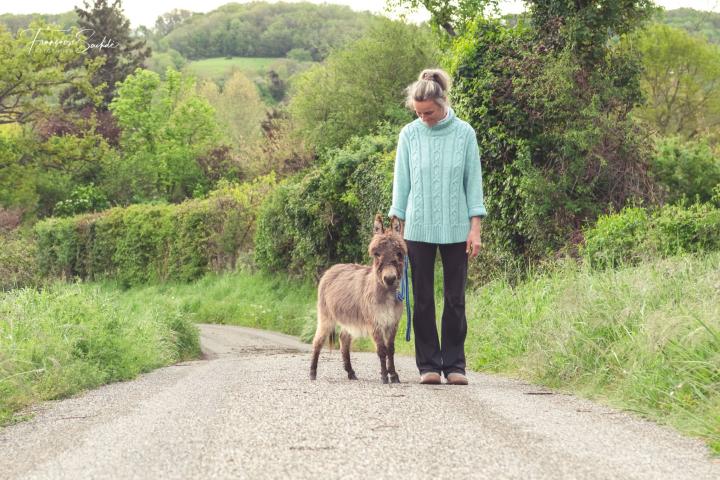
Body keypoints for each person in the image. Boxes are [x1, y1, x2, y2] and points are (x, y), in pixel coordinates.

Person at [388, 68, 486, 386]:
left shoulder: (465, 134)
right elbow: (401, 185)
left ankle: (455, 364)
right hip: (417, 230)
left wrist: (476, 229)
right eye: (418, 113)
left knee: (455, 298)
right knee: (424, 299)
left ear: (441, 103)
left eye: (428, 112)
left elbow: (474, 186)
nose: (424, 118)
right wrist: (396, 227)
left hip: (457, 229)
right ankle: (428, 365)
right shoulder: (409, 135)